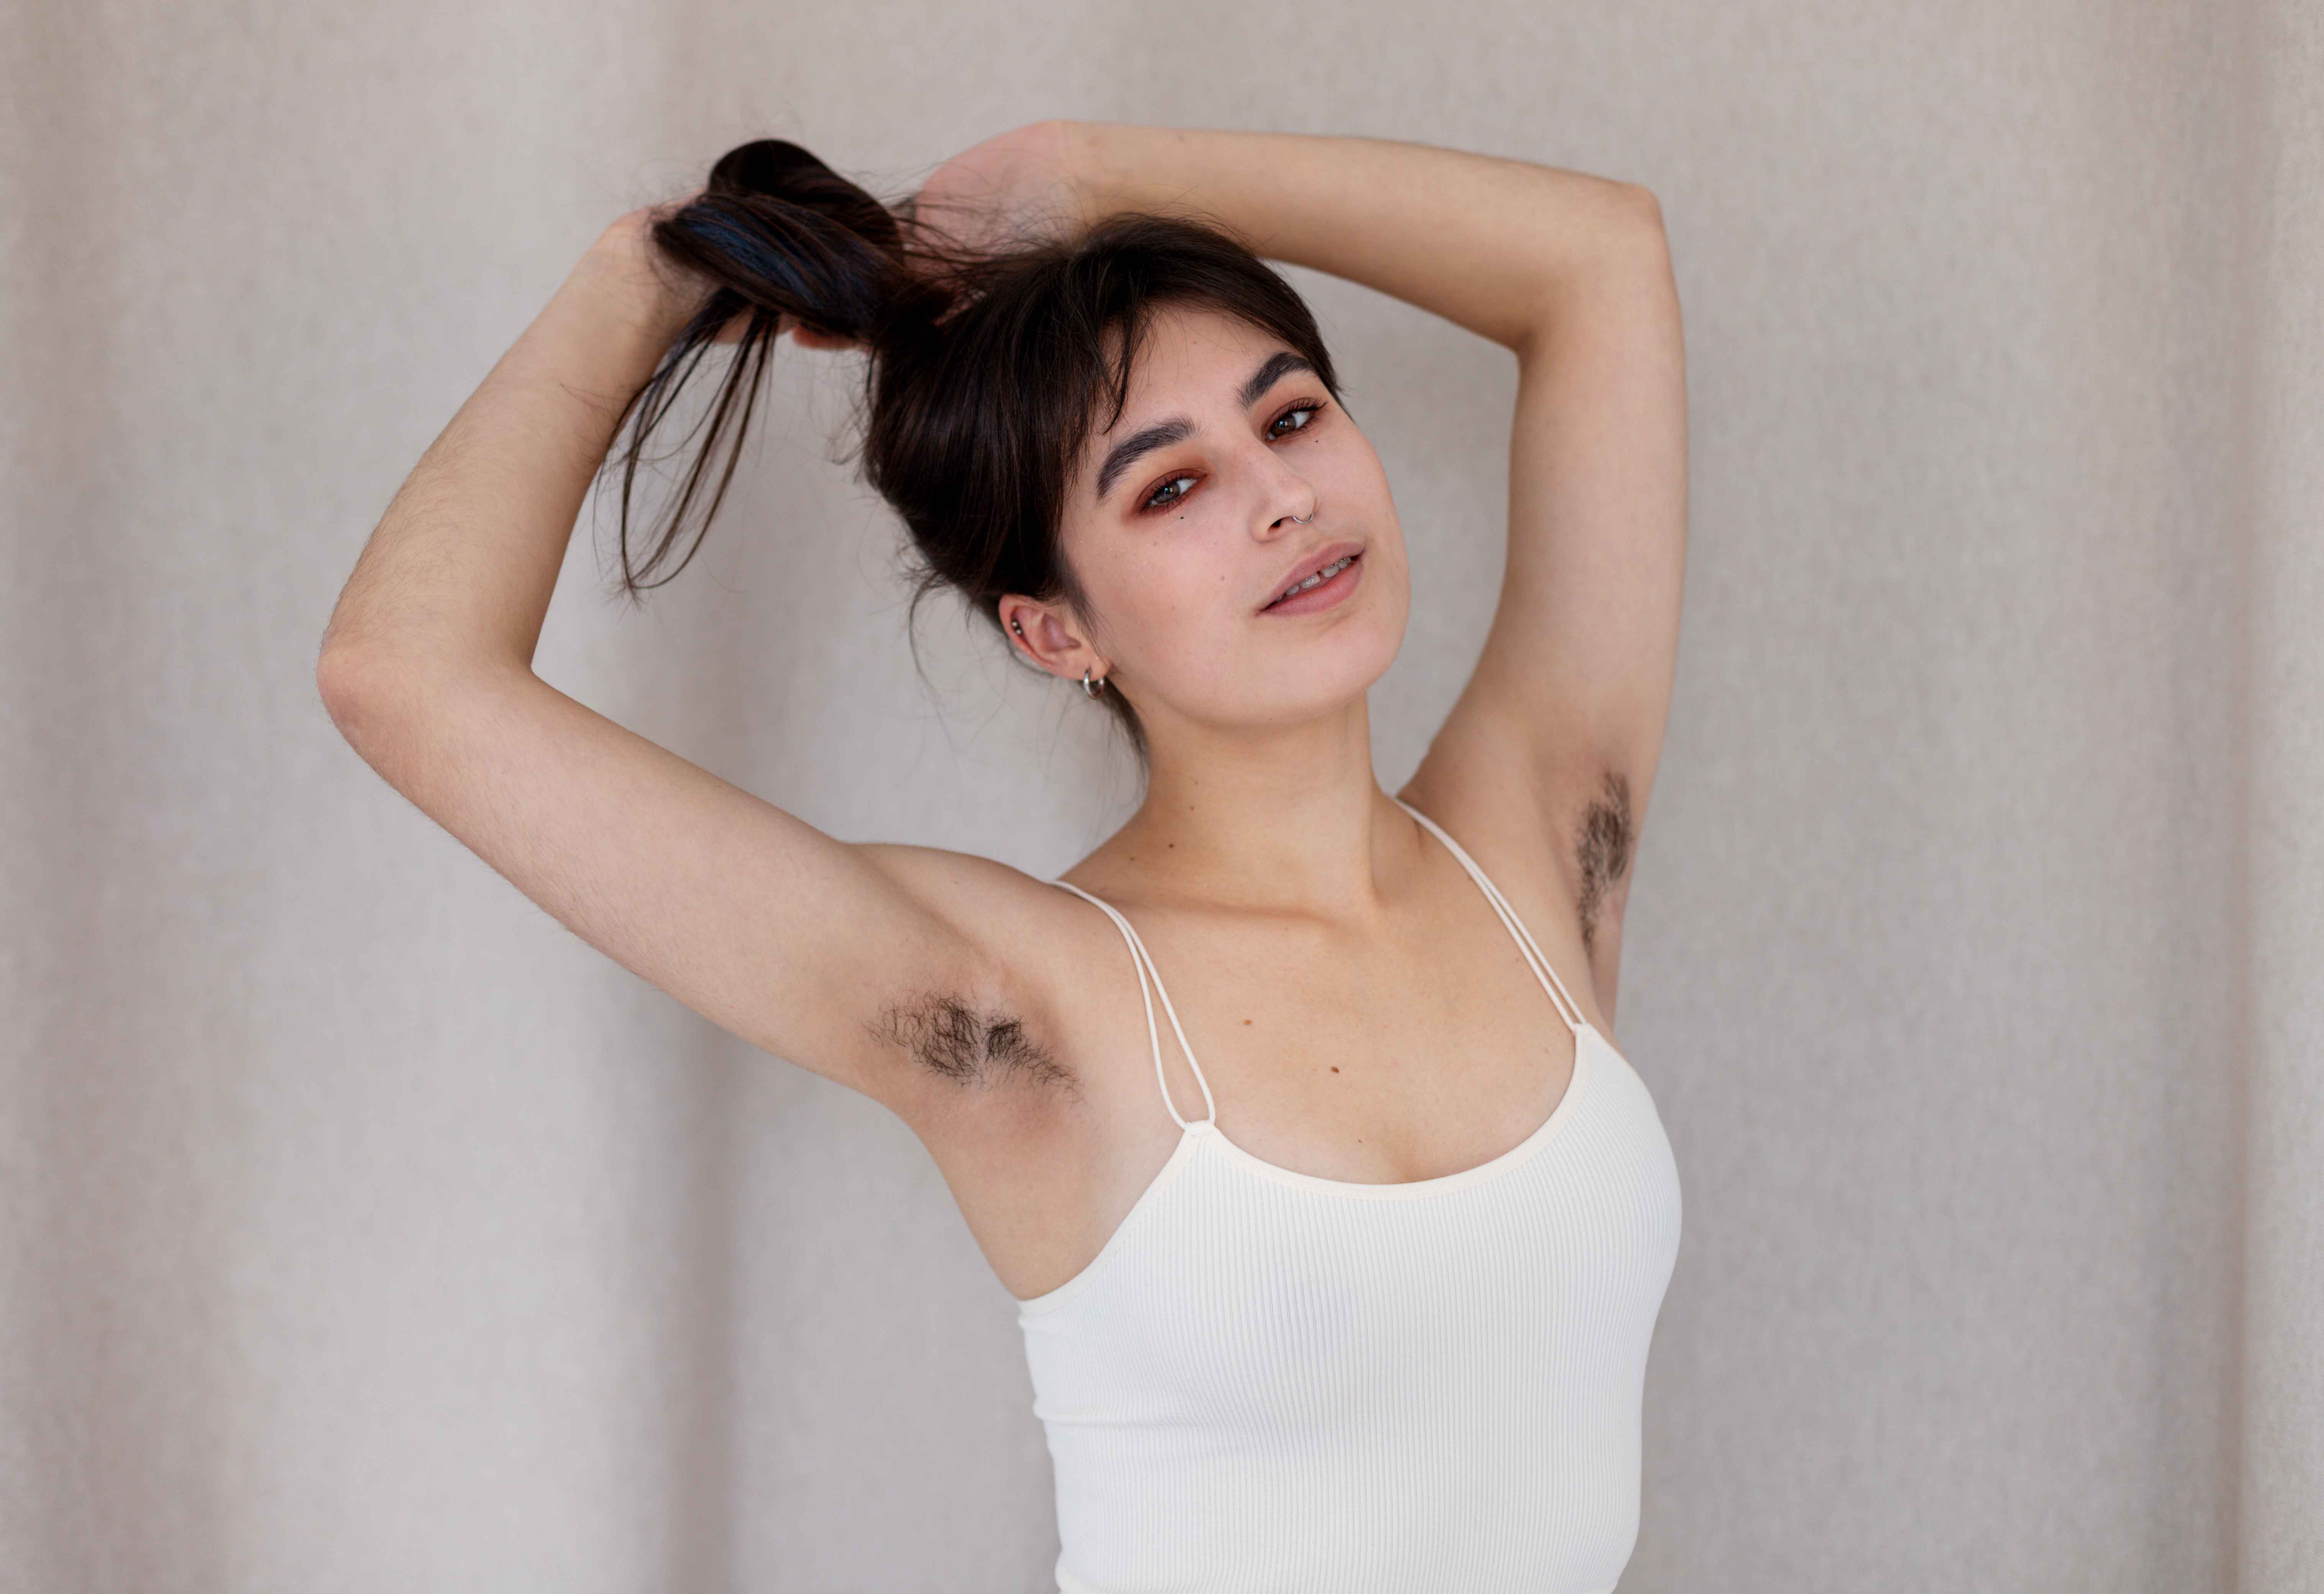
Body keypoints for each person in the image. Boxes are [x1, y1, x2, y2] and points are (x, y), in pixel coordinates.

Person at [317, 120, 1688, 1592]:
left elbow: (1600, 261)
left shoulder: (1540, 842)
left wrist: (1089, 175)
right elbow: (403, 675)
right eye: (1169, 489)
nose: (1282, 497)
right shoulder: (1023, 1007)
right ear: (1056, 631)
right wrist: (644, 276)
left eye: (1291, 417)